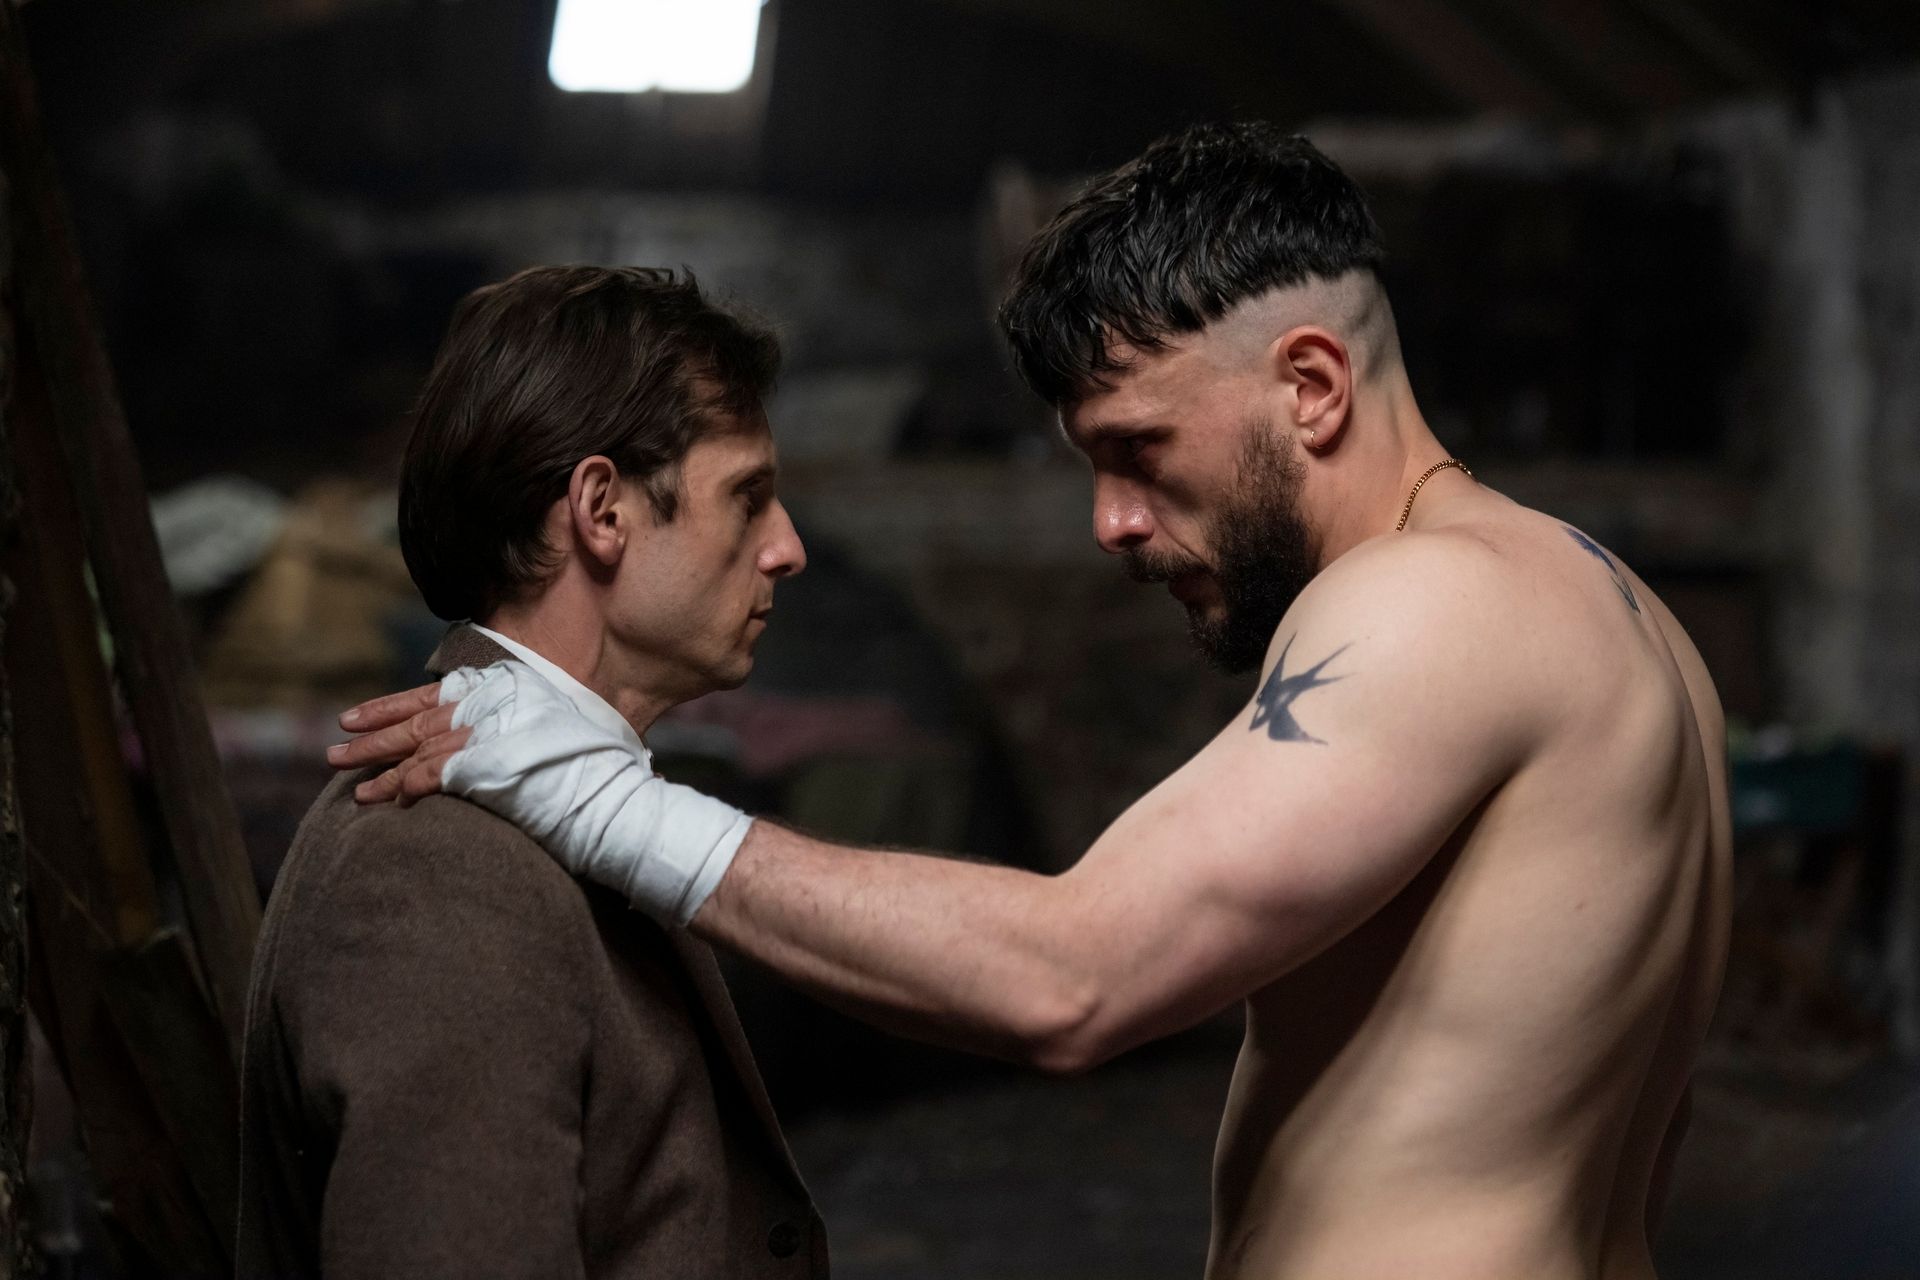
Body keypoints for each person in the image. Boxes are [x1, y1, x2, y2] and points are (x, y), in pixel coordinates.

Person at [336, 125, 1731, 1280]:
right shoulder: (1611, 611)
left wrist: (599, 800)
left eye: (1141, 449)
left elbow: (1075, 975)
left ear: (1311, 385)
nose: (1111, 522)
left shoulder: (1434, 603)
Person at [237, 265, 825, 1278]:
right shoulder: (441, 867)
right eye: (748, 497)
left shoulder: (528, 816)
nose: (788, 548)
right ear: (602, 509)